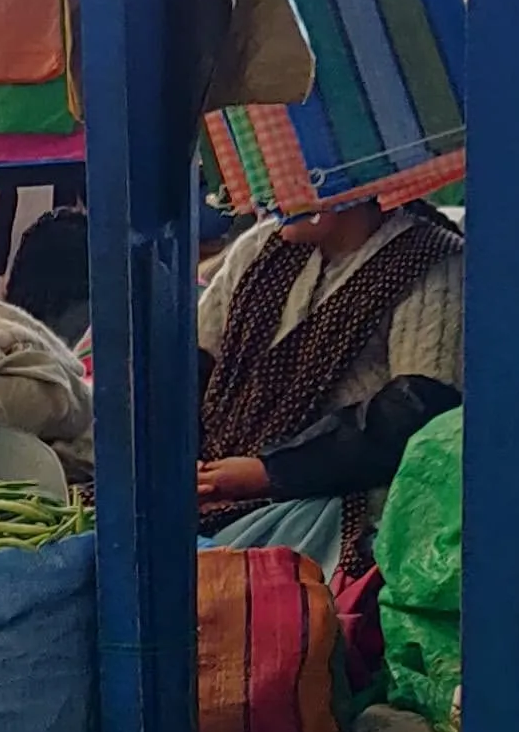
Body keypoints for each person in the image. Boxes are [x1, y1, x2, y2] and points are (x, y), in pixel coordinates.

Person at [190, 194, 462, 576]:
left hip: (341, 502)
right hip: (223, 480)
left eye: (286, 175)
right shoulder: (258, 248)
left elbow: (416, 412)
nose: (266, 193)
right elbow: (195, 369)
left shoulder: (436, 262)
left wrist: (270, 473)